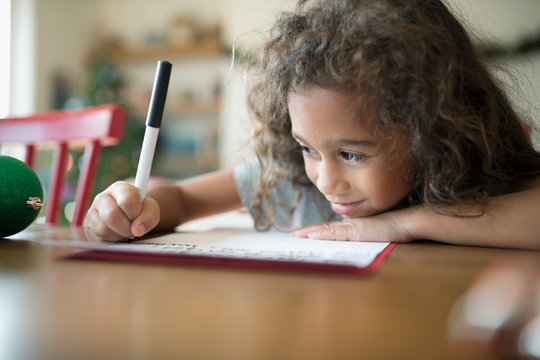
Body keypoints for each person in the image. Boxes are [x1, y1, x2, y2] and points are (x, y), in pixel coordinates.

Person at [84, 0, 540, 249]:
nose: (325, 178)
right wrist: (126, 209)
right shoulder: (288, 179)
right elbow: (182, 198)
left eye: (351, 154)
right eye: (307, 147)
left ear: (432, 132)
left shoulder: (480, 180)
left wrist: (408, 223)